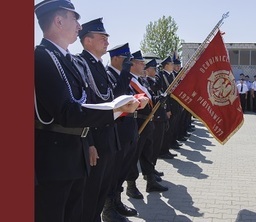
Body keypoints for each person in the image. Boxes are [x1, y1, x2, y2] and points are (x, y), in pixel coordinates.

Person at [34, 2, 138, 222]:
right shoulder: (42, 57)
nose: (79, 26)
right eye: (75, 19)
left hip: (75, 153)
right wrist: (117, 110)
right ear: (59, 21)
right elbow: (68, 112)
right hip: (55, 159)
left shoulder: (65, 60)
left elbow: (84, 101)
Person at [102, 43, 143, 222]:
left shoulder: (121, 75)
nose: (129, 64)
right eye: (126, 60)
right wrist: (125, 74)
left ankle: (117, 202)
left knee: (122, 170)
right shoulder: (109, 74)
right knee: (113, 172)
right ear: (116, 58)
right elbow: (115, 100)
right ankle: (108, 210)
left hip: (128, 129)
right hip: (117, 130)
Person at [125, 50, 169, 198]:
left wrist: (158, 99)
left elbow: (149, 98)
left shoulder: (141, 80)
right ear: (132, 64)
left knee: (147, 153)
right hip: (137, 122)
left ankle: (150, 181)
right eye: (140, 62)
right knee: (134, 155)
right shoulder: (128, 80)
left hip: (147, 121)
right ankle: (131, 186)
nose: (143, 65)